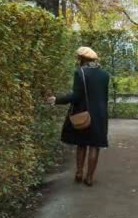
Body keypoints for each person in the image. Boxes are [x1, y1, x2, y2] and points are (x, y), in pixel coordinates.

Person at [47, 47, 110, 186]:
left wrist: (56, 100)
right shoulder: (105, 75)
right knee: (95, 145)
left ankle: (79, 173)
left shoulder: (80, 72)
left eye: (78, 58)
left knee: (82, 144)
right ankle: (89, 178)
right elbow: (104, 97)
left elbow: (76, 96)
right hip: (100, 115)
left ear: (82, 59)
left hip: (83, 113)